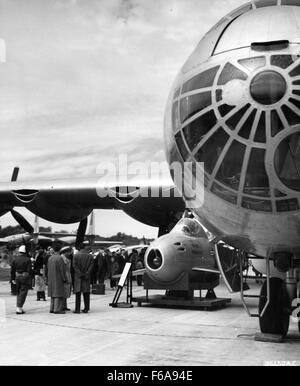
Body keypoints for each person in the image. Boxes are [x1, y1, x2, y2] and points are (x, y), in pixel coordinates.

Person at [10, 245, 32, 314]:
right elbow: (29, 270)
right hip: (24, 277)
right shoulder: (28, 259)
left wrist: (12, 279)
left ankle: (19, 307)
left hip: (17, 277)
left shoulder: (15, 259)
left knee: (18, 292)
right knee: (23, 292)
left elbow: (12, 270)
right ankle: (19, 308)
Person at [73, 245, 94, 314]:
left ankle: (77, 309)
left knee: (78, 293)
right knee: (86, 293)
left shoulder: (75, 256)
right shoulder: (90, 256)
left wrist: (79, 273)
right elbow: (91, 266)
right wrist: (87, 273)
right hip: (86, 277)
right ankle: (86, 308)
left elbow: (74, 266)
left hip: (78, 277)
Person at [47, 244, 68, 314]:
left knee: (53, 294)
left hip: (51, 278)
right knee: (58, 294)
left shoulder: (50, 258)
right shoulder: (59, 258)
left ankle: (52, 308)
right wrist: (64, 278)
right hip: (58, 278)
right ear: (60, 250)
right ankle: (57, 309)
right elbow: (62, 270)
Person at [60, 246, 73, 312]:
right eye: (69, 252)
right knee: (64, 292)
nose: (70, 253)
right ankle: (62, 306)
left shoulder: (67, 258)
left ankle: (65, 306)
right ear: (65, 252)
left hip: (68, 276)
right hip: (64, 277)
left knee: (66, 292)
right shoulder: (62, 258)